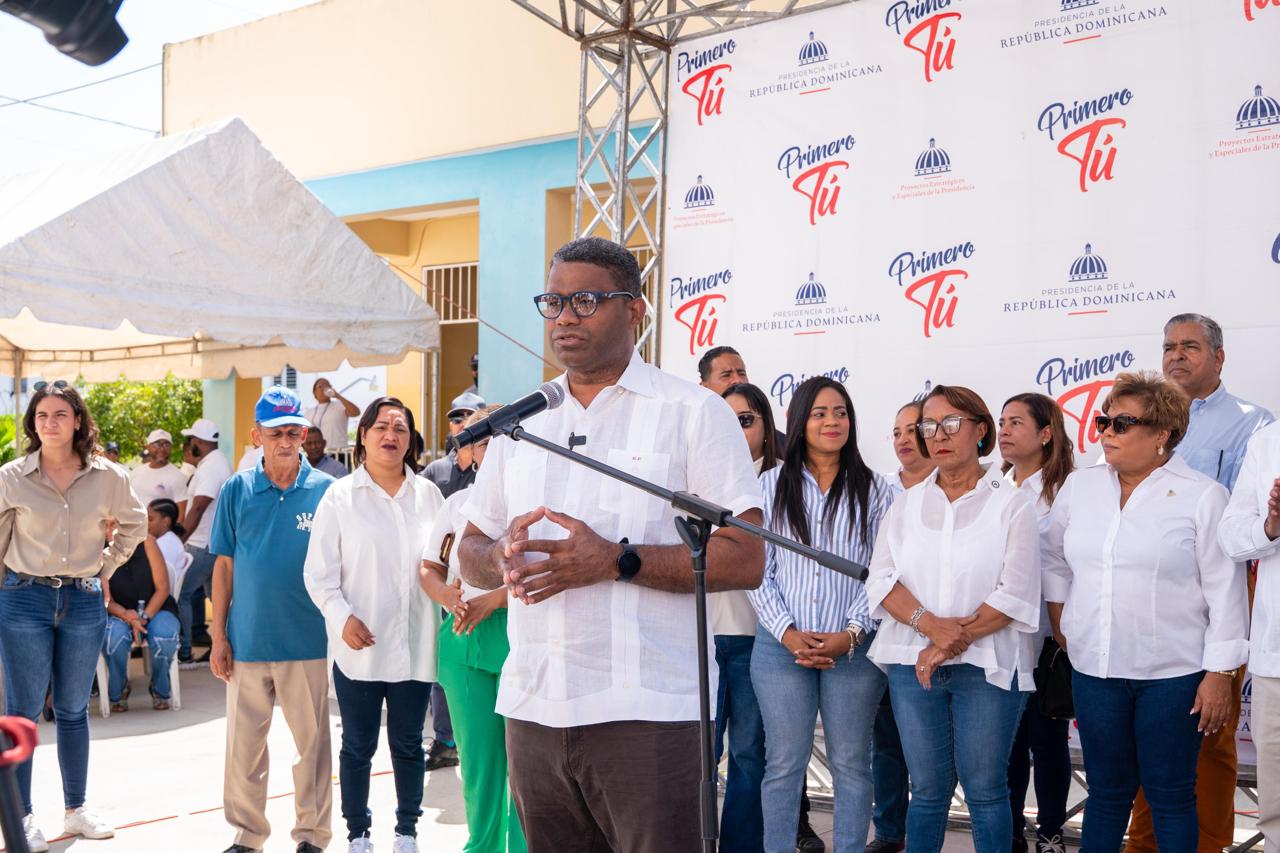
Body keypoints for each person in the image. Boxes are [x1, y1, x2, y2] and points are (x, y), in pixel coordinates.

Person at [458, 236, 765, 851]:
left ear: (635, 311)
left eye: (586, 301)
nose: (565, 317)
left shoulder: (693, 412)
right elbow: (470, 547)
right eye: (554, 302)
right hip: (534, 706)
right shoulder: (522, 423)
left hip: (649, 713)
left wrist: (616, 562)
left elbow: (745, 556)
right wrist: (497, 557)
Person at [1042, 371, 1249, 853]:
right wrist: (1061, 619)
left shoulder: (1203, 496)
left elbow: (1226, 592)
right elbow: (1052, 557)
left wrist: (1220, 673)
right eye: (1104, 421)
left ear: (1162, 434)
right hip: (1095, 672)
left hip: (1173, 676)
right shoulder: (1080, 487)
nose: (1106, 432)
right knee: (1106, 794)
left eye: (1122, 424)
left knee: (1170, 796)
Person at [1122, 313, 1276, 853]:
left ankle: (1209, 846)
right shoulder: (1134, 420)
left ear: (1219, 357)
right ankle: (1143, 844)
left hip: (1218, 593)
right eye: (1169, 346)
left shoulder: (1254, 425)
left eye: (1190, 346)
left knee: (1209, 733)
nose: (1176, 355)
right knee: (1147, 732)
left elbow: (1242, 522)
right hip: (1145, 593)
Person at [866, 384, 1040, 853]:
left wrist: (947, 641)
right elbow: (881, 580)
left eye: (951, 423)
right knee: (926, 790)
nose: (938, 435)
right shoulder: (905, 504)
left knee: (985, 791)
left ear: (981, 430)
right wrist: (929, 626)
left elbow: (1015, 593)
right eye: (929, 426)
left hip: (987, 665)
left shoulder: (1012, 503)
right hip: (912, 664)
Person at [0, 380, 147, 851]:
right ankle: (21, 818)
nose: (51, 423)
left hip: (83, 599)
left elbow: (135, 524)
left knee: (72, 709)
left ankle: (75, 810)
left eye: (61, 414)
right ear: (33, 423)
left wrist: (106, 566)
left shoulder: (109, 477)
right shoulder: (11, 477)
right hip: (24, 597)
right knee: (22, 713)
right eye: (42, 415)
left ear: (78, 420)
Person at [749, 377, 893, 853]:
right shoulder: (769, 486)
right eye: (820, 413)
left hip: (853, 650)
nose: (832, 422)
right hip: (780, 648)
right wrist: (788, 633)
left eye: (841, 413)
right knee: (783, 764)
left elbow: (882, 573)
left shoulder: (877, 490)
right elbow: (758, 571)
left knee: (851, 763)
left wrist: (850, 634)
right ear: (799, 422)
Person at [305, 396, 442, 853]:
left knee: (408, 743)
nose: (390, 435)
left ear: (410, 441)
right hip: (358, 647)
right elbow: (318, 574)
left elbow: (445, 562)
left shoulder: (429, 496)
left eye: (400, 428)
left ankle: (407, 832)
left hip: (414, 643)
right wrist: (341, 618)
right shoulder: (340, 497)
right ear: (362, 436)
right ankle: (358, 834)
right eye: (381, 427)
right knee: (358, 745)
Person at [209, 387, 336, 853]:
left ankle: (312, 837)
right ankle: (247, 837)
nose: (285, 441)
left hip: (308, 640)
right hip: (247, 641)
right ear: (256, 436)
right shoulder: (236, 489)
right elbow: (224, 567)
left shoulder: (327, 491)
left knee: (312, 748)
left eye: (293, 432)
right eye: (275, 432)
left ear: (303, 434)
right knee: (243, 750)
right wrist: (218, 637)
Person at [420, 405, 527, 853]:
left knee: (526, 771)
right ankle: (481, 847)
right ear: (469, 453)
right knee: (480, 768)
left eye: (503, 439)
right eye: (482, 442)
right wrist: (450, 598)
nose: (493, 449)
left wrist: (494, 599)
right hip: (464, 642)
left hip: (522, 639)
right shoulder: (455, 505)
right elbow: (430, 569)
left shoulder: (535, 504)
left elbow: (547, 574)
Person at [996, 394, 1075, 853]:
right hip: (1000, 637)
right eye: (1001, 422)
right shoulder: (992, 487)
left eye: (1016, 423)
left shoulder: (1067, 490)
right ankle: (1008, 833)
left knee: (1048, 743)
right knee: (1006, 745)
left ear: (1046, 434)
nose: (1004, 431)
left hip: (1049, 641)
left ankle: (1050, 835)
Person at [866, 401, 937, 853]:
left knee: (938, 754)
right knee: (887, 740)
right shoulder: (879, 489)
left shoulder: (957, 487)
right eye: (896, 432)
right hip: (888, 635)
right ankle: (890, 832)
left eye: (913, 429)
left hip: (946, 638)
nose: (904, 439)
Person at [712, 383, 778, 853]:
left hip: (760, 640)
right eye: (727, 420)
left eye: (746, 420)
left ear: (766, 428)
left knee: (750, 756)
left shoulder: (781, 484)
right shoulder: (697, 478)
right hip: (700, 637)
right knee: (698, 755)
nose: (736, 431)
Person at [1219, 419, 1280, 848]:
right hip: (1275, 661)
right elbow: (1231, 536)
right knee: (1275, 804)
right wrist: (1270, 525)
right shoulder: (1269, 441)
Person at [101, 503, 184, 712]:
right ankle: (119, 689)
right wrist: (127, 616)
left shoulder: (147, 542)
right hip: (118, 613)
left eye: (116, 524)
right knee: (113, 638)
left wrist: (143, 617)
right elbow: (104, 598)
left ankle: (159, 688)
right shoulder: (96, 552)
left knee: (165, 636)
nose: (112, 530)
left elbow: (163, 588)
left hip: (156, 608)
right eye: (107, 525)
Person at [177, 417, 232, 666]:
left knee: (180, 594)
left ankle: (184, 652)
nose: (189, 444)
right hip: (212, 543)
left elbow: (199, 506)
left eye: (191, 440)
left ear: (198, 441)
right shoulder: (212, 463)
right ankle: (228, 647)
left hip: (202, 545)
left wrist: (180, 539)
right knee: (219, 599)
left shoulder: (211, 467)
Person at [422, 391, 485, 498]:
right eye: (457, 420)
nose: (464, 425)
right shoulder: (434, 470)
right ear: (451, 426)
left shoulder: (492, 469)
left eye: (471, 419)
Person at [129, 429, 189, 508]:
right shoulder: (136, 472)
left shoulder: (179, 477)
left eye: (167, 445)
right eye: (157, 444)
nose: (162, 449)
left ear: (171, 448)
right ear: (148, 447)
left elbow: (182, 513)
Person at [307, 377, 360, 450]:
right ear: (314, 392)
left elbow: (356, 413)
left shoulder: (340, 406)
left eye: (328, 386)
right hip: (317, 453)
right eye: (321, 386)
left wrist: (338, 396)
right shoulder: (309, 412)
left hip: (338, 452)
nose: (325, 388)